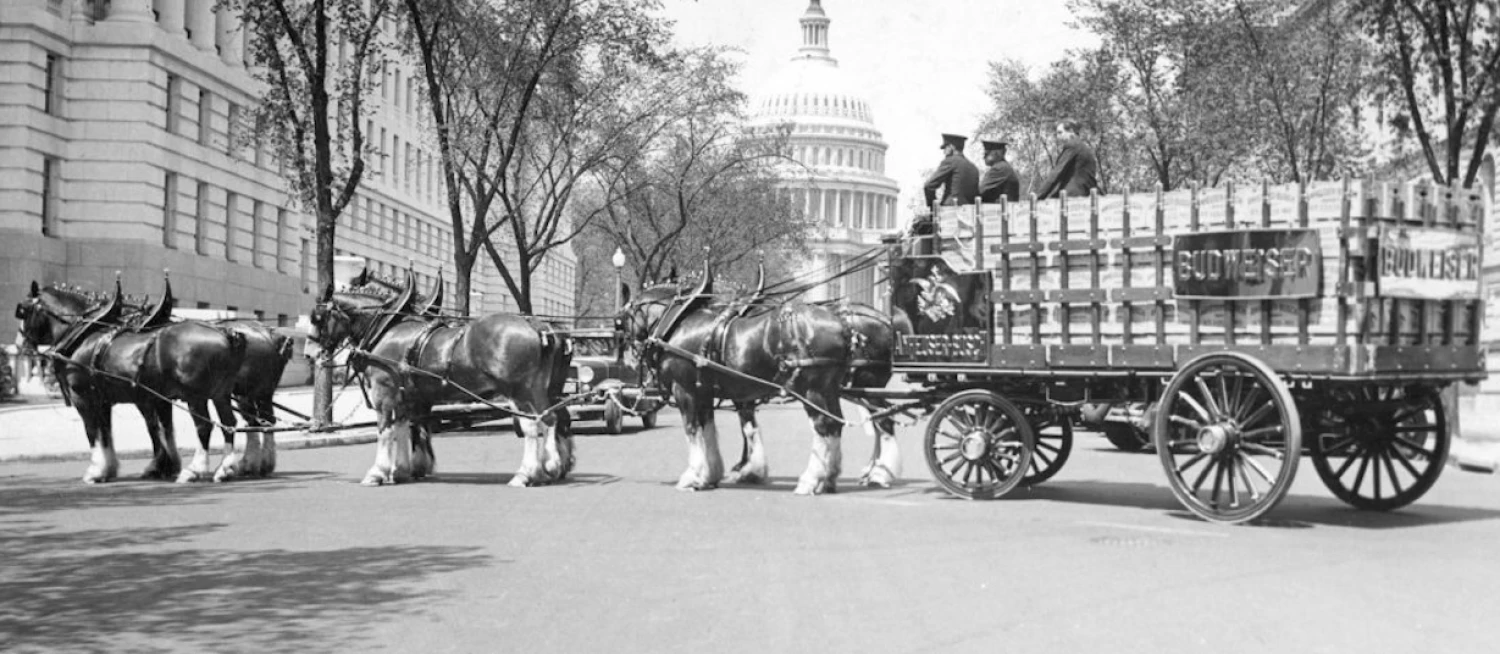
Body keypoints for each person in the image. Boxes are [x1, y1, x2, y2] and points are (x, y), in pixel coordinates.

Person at [1036, 120, 1100, 200]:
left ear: (1071, 131)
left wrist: (1038, 197)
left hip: (1072, 196)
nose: (1058, 137)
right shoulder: (1085, 148)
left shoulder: (1072, 145)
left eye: (1060, 133)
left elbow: (1056, 173)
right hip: (1086, 195)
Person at [922, 133, 980, 208]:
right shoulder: (973, 167)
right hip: (969, 213)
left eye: (945, 148)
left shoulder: (950, 161)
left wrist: (933, 207)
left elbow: (929, 185)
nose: (944, 152)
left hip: (950, 212)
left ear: (951, 147)